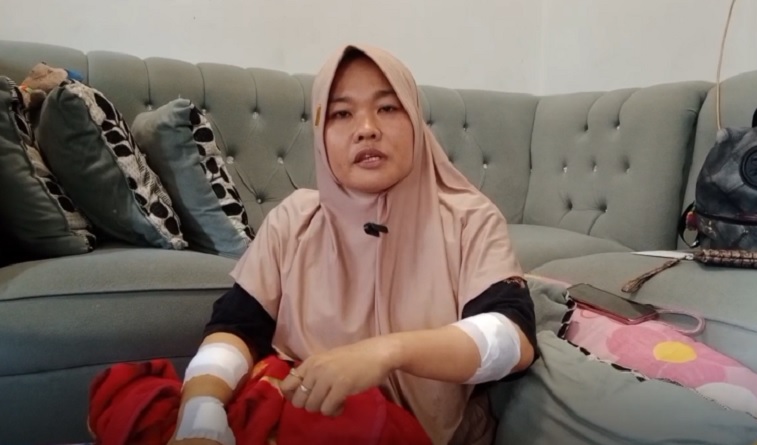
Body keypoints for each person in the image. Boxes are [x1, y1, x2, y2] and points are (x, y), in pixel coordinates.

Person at [168, 44, 539, 445]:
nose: (366, 128)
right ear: (320, 135)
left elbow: (512, 338)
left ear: (416, 123)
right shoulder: (293, 220)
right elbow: (236, 326)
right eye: (342, 114)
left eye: (388, 108)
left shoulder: (470, 218)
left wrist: (385, 353)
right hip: (302, 422)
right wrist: (200, 415)